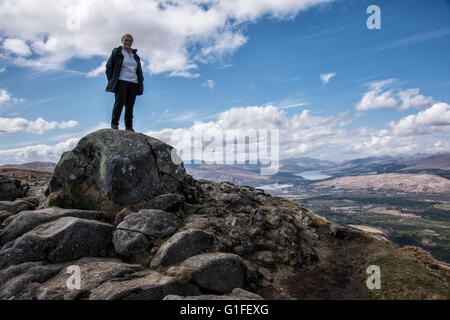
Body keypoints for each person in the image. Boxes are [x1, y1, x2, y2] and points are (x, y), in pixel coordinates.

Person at [105, 33, 144, 131]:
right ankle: (114, 124)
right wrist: (112, 79)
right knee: (119, 103)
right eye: (126, 40)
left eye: (130, 41)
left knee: (130, 105)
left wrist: (140, 80)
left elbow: (138, 69)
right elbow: (109, 67)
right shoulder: (117, 52)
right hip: (121, 81)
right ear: (122, 41)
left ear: (132, 43)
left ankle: (129, 127)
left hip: (134, 82)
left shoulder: (135, 55)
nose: (128, 42)